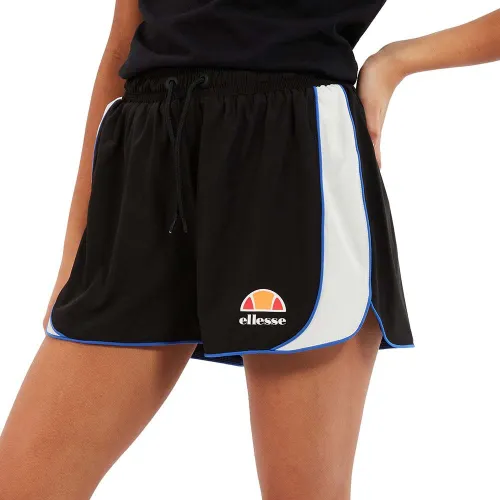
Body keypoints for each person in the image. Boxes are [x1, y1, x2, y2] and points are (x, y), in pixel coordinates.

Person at [0, 1, 498, 497]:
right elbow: (121, 46)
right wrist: (76, 249)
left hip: (292, 156)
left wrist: (396, 61)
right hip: (148, 160)